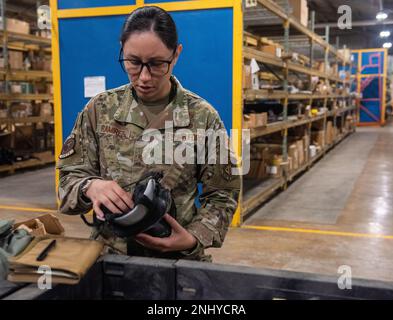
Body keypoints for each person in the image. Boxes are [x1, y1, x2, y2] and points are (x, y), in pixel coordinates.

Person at [57, 6, 240, 262]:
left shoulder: (203, 117)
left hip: (178, 261)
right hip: (111, 258)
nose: (144, 77)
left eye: (156, 64)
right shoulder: (100, 110)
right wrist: (91, 186)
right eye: (133, 62)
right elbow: (67, 182)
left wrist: (194, 237)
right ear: (122, 49)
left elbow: (223, 193)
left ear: (176, 55)